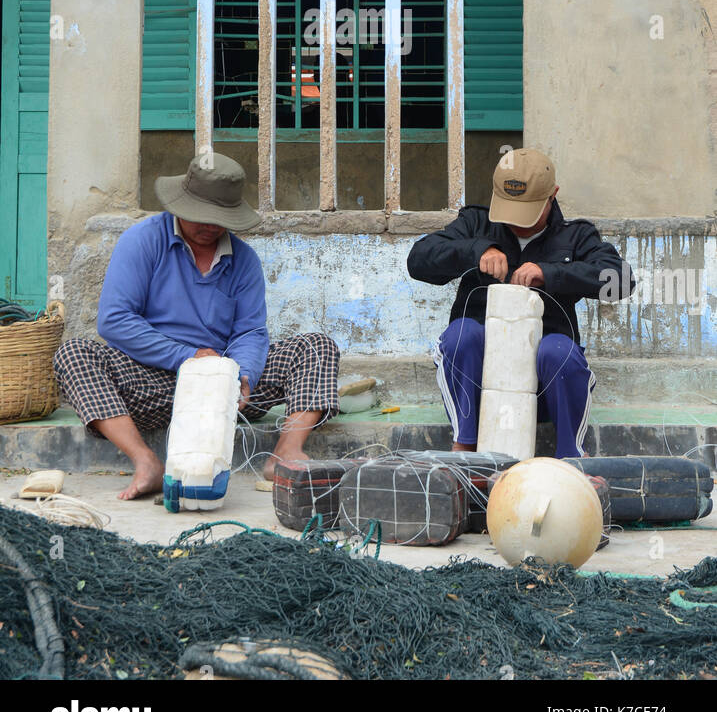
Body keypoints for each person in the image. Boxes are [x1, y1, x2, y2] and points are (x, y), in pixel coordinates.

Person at [54, 154, 340, 499]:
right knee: (73, 354)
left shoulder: (244, 260)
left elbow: (250, 332)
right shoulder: (142, 241)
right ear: (179, 206)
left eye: (219, 219)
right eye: (200, 217)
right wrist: (188, 356)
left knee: (316, 346)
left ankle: (286, 453)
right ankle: (146, 462)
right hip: (152, 382)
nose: (209, 226)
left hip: (222, 392)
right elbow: (114, 321)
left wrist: (242, 375)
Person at [407, 147, 634, 458]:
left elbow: (621, 281)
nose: (516, 223)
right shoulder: (476, 223)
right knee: (462, 335)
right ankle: (466, 446)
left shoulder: (576, 236)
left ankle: (571, 457)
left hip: (545, 388)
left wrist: (550, 273)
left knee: (558, 351)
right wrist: (477, 250)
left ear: (552, 196)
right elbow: (418, 261)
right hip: (480, 385)